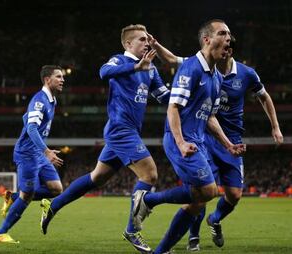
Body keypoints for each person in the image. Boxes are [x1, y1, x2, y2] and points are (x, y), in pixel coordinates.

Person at [39, 24, 170, 253]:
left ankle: (53, 205)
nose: (147, 43)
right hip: (121, 129)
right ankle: (132, 230)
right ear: (128, 44)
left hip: (130, 131)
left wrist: (188, 96)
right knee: (150, 174)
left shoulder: (151, 69)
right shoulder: (119, 61)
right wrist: (135, 67)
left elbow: (164, 97)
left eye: (148, 39)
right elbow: (103, 72)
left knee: (97, 178)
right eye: (141, 39)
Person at [148, 34, 284, 251]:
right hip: (205, 137)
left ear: (229, 51)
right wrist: (156, 45)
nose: (223, 50)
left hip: (230, 138)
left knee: (234, 195)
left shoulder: (246, 74)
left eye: (227, 46)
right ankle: (192, 236)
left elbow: (265, 96)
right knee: (202, 192)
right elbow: (173, 60)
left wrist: (275, 126)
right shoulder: (200, 65)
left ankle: (215, 219)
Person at [132, 19, 246, 254]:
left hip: (199, 140)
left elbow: (210, 117)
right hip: (180, 139)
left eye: (230, 34)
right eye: (223, 33)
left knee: (197, 202)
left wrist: (228, 145)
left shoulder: (216, 76)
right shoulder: (191, 68)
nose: (229, 38)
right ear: (207, 40)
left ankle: (160, 250)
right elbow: (173, 108)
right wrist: (181, 142)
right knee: (209, 191)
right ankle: (148, 200)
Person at [0, 65, 65, 244]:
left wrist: (43, 150)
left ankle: (12, 196)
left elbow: (27, 120)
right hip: (27, 154)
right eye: (58, 76)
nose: (63, 79)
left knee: (56, 189)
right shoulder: (39, 100)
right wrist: (46, 150)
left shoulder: (52, 100)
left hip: (38, 153)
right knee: (28, 195)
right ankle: (0, 233)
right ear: (47, 80)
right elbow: (31, 127)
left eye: (63, 76)